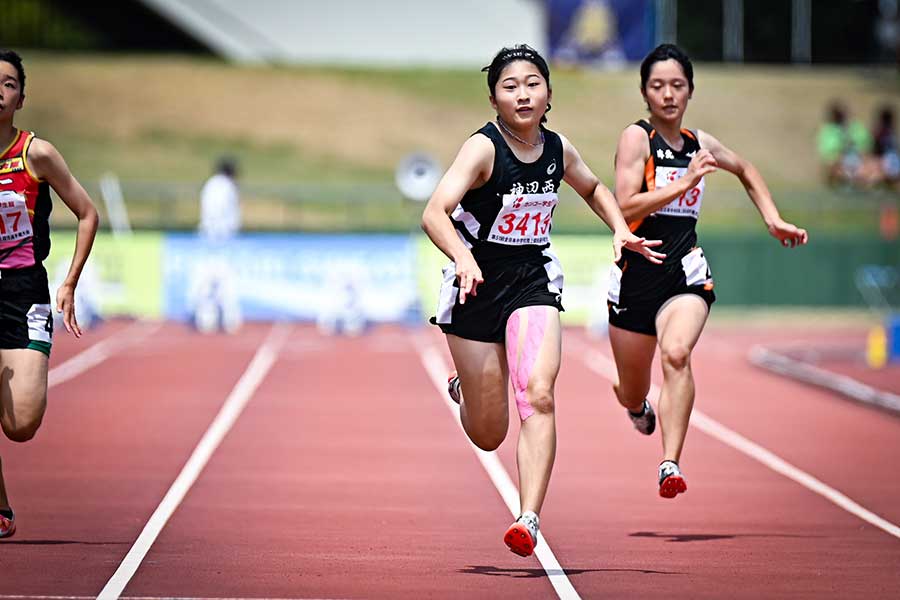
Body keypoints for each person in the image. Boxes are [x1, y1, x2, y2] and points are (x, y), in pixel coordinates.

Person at [421, 44, 663, 557]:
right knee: (489, 434)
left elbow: (595, 187)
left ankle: (528, 517)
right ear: (494, 100)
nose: (523, 93)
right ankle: (467, 385)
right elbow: (435, 213)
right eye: (510, 86)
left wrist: (621, 228)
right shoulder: (483, 149)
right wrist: (463, 258)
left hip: (533, 279)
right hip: (477, 287)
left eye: (532, 83)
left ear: (549, 93)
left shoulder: (557, 148)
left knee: (539, 391)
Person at [608, 43, 808, 499]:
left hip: (684, 274)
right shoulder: (636, 139)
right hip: (636, 278)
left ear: (690, 90)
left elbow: (745, 168)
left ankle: (669, 463)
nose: (668, 94)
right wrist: (685, 182)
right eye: (658, 86)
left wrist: (772, 217)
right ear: (645, 92)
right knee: (631, 388)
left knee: (677, 353)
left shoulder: (701, 144)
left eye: (677, 85)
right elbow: (624, 204)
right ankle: (635, 403)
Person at [0, 50, 99, 537]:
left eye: (9, 84)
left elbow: (88, 213)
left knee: (20, 425)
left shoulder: (34, 154)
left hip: (23, 295)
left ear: (21, 96)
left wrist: (69, 283)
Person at [816, 101, 871, 187]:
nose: (841, 117)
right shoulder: (828, 130)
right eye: (838, 115)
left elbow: (865, 143)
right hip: (838, 161)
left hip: (855, 159)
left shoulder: (855, 127)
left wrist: (862, 154)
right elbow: (828, 153)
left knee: (868, 169)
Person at [198, 156, 240, 241]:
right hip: (225, 233)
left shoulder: (210, 183)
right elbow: (231, 211)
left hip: (206, 231)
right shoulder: (229, 185)